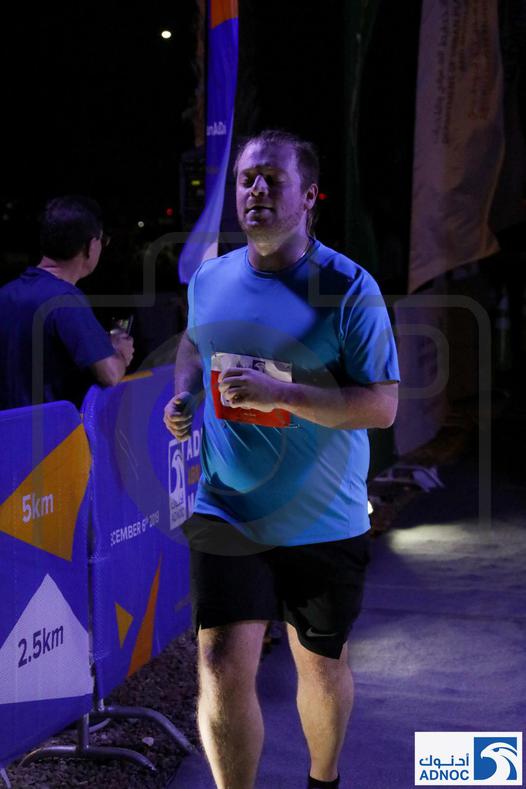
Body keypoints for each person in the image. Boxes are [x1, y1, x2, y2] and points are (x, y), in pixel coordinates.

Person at [163, 130, 400, 789]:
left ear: (310, 196)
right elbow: (193, 341)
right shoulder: (211, 278)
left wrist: (282, 395)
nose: (256, 190)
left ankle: (323, 778)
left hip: (322, 518)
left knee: (320, 665)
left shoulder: (347, 288)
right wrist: (185, 394)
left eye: (273, 178)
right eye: (247, 179)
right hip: (228, 508)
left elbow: (381, 406)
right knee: (218, 662)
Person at [0, 195, 134, 410]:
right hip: (47, 430)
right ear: (91, 246)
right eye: (103, 241)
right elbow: (110, 374)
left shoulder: (6, 292)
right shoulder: (66, 300)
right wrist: (120, 352)